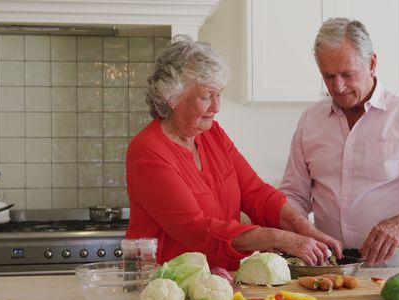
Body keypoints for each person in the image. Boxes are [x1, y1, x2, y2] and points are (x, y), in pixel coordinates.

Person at [125, 35, 341, 271]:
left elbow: (255, 193)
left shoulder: (212, 134)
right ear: (172, 97)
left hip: (216, 280)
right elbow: (196, 229)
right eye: (207, 96)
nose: (216, 107)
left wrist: (303, 227)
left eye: (219, 95)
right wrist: (278, 238)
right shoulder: (148, 152)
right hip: (165, 285)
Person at [279, 18, 399, 267]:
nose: (338, 86)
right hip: (329, 268)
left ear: (372, 63)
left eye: (347, 74)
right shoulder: (310, 121)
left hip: (395, 265)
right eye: (328, 76)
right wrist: (300, 235)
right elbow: (293, 195)